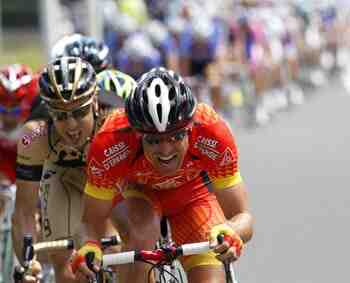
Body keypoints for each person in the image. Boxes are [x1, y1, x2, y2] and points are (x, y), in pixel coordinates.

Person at [72, 67, 254, 283]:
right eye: (154, 141)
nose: (166, 150)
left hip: (192, 198)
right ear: (137, 135)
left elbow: (243, 217)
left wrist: (232, 232)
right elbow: (90, 222)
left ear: (190, 128)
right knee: (141, 232)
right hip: (140, 195)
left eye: (175, 136)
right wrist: (89, 245)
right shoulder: (110, 141)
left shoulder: (211, 131)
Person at [12, 56, 137, 283]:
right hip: (63, 175)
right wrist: (27, 264)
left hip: (107, 177)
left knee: (129, 241)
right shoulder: (34, 136)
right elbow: (23, 212)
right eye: (60, 115)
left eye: (80, 113)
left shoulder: (116, 121)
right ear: (49, 112)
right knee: (65, 265)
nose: (71, 125)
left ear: (96, 103)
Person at [0, 64, 39, 283]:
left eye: (14, 111)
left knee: (33, 211)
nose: (8, 117)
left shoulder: (36, 122)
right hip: (5, 165)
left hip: (31, 165)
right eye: (2, 110)